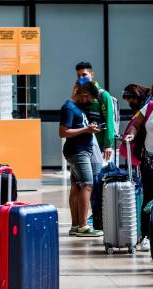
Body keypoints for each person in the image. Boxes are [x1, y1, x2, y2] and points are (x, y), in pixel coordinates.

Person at [124, 77, 153, 252]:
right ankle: (146, 236)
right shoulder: (151, 107)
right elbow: (136, 123)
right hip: (149, 161)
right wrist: (132, 134)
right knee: (149, 199)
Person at [59, 82, 104, 237]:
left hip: (80, 150)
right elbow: (63, 132)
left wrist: (89, 127)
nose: (89, 102)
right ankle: (83, 226)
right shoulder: (69, 107)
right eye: (89, 99)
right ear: (83, 94)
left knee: (77, 186)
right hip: (78, 152)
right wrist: (87, 129)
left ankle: (76, 225)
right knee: (87, 185)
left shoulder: (77, 108)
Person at [74, 61, 116, 161]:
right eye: (78, 75)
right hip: (81, 142)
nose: (81, 78)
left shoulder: (103, 95)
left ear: (91, 74)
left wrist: (108, 145)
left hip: (99, 143)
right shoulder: (77, 95)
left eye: (84, 75)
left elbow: (109, 120)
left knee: (97, 174)